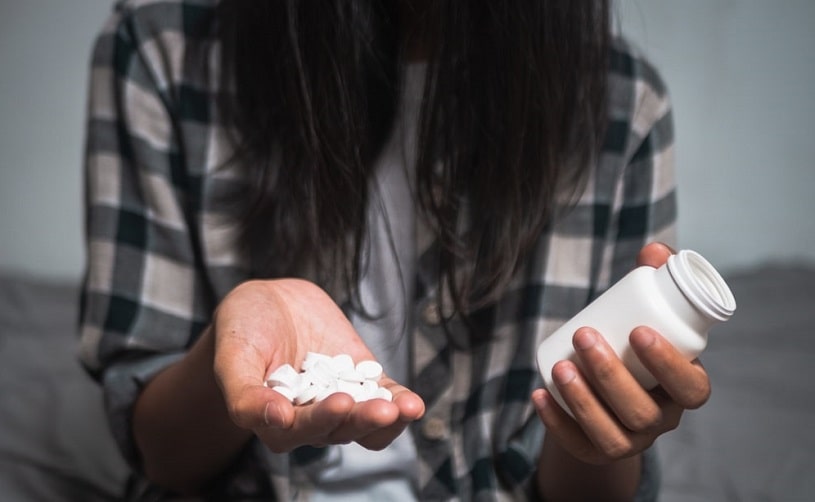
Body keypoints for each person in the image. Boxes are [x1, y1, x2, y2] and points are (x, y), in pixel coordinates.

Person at [79, 0, 708, 500]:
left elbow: (585, 494)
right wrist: (230, 335)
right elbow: (163, 459)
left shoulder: (623, 102)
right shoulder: (162, 50)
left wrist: (597, 436)